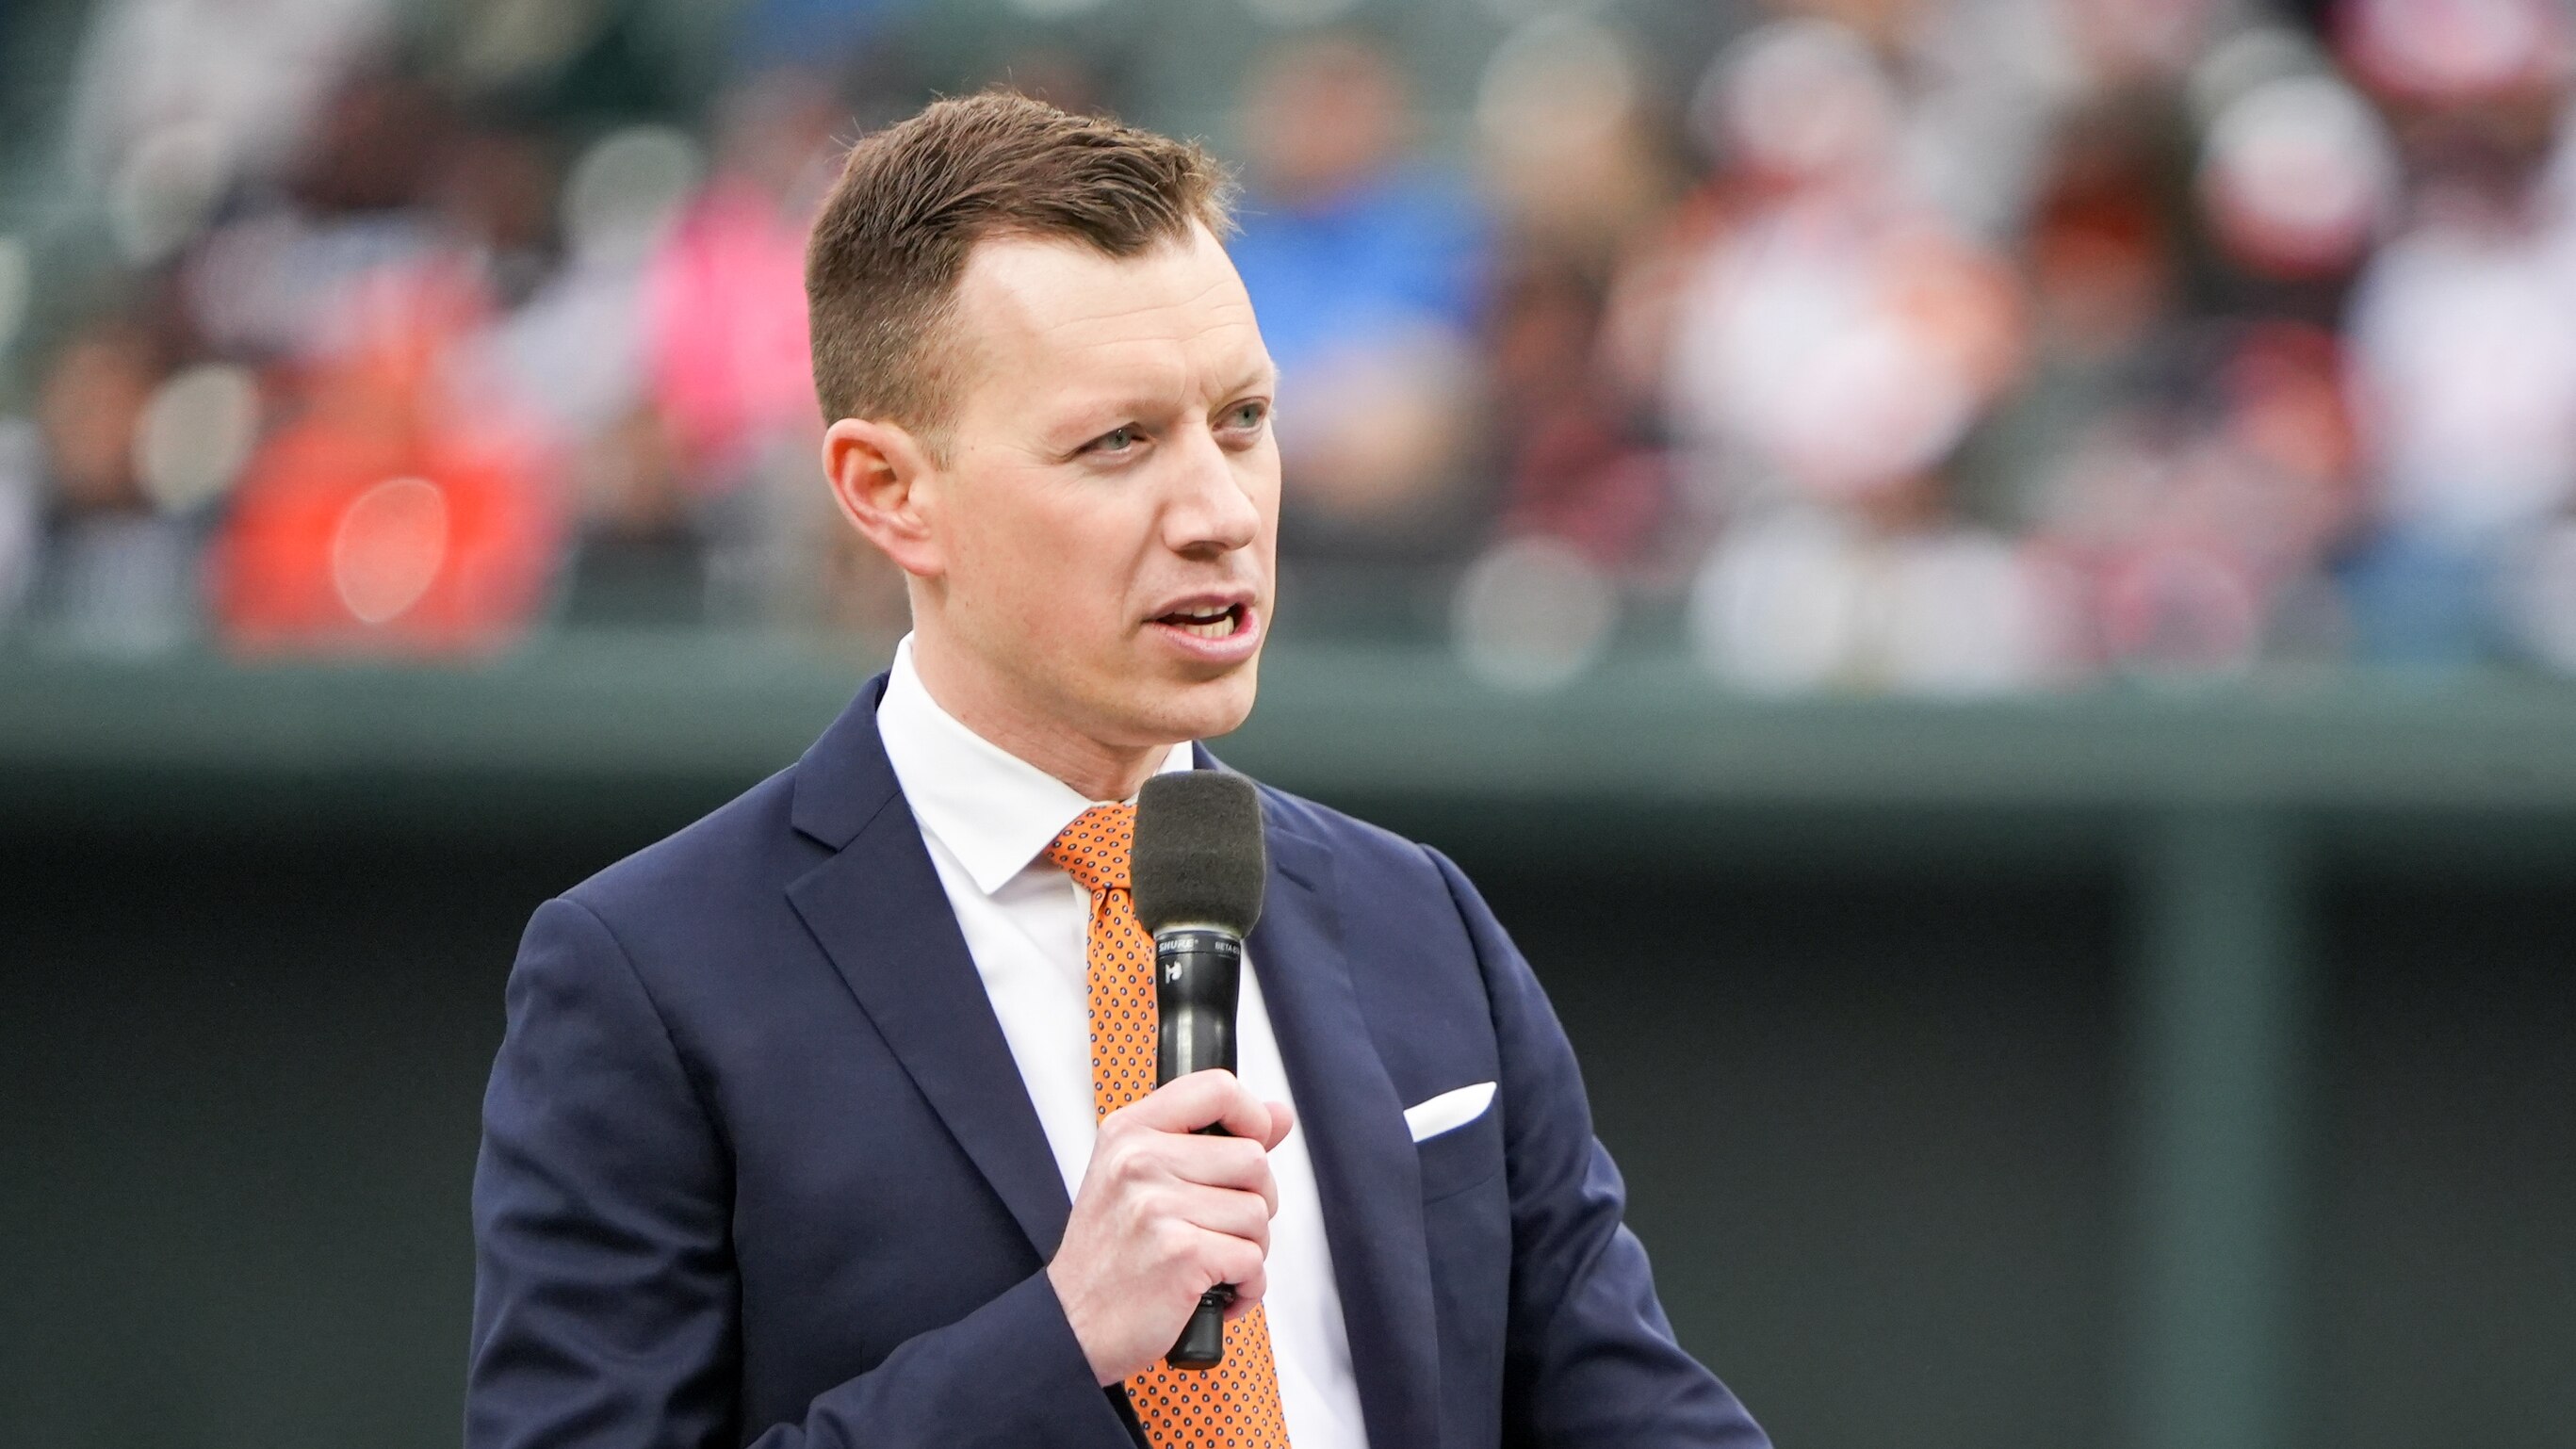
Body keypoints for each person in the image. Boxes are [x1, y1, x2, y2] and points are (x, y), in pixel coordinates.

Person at [465, 90, 1769, 1449]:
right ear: (887, 490)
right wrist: (1063, 1332)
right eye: (1117, 442)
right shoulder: (649, 976)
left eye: (1245, 419)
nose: (1216, 511)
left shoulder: (1417, 919)